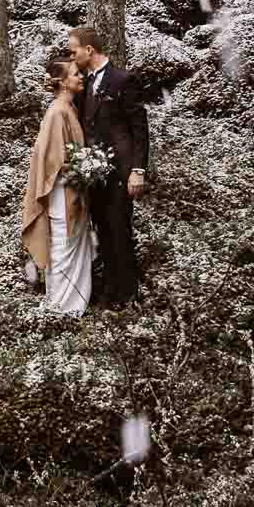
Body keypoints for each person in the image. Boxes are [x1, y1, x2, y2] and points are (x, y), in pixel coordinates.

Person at [67, 24, 149, 307]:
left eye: (74, 51)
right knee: (102, 229)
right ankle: (109, 289)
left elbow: (139, 129)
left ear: (89, 50)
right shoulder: (84, 84)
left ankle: (127, 292)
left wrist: (138, 170)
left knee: (119, 230)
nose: (72, 57)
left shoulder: (123, 80)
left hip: (121, 173)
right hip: (94, 175)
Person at [19, 55, 96, 315]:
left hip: (72, 188)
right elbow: (51, 162)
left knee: (70, 244)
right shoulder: (57, 112)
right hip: (62, 192)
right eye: (75, 74)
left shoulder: (70, 108)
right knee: (63, 245)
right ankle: (62, 307)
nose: (81, 77)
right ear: (63, 83)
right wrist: (84, 167)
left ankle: (71, 304)